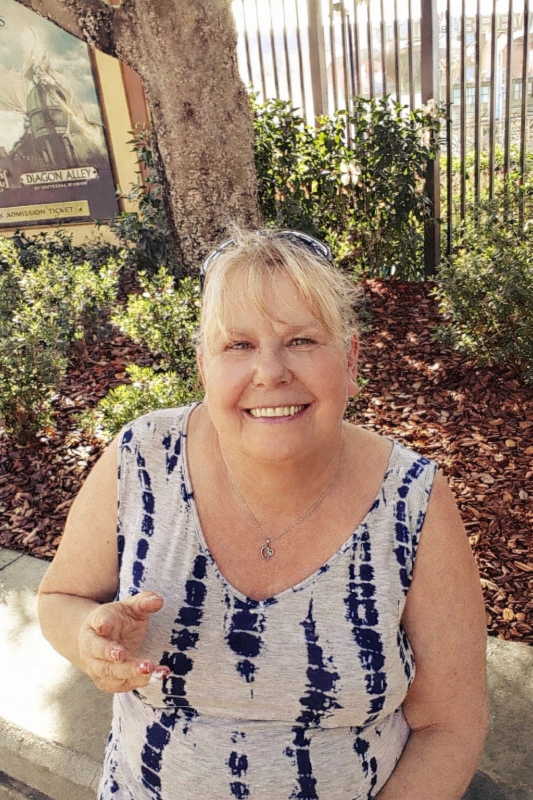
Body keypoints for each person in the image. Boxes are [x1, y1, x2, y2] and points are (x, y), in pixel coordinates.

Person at [38, 228, 489, 800]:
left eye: (301, 340)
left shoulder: (412, 500)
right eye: (238, 345)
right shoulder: (142, 458)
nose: (270, 372)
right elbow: (60, 598)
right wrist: (88, 640)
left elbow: (450, 724)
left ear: (349, 359)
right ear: (204, 367)